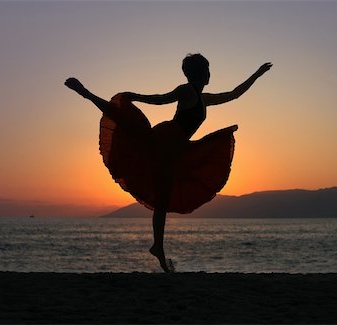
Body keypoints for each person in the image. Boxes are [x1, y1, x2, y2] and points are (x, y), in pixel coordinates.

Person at [65, 54, 272, 272]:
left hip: (177, 148)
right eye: (207, 70)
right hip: (165, 141)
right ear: (200, 73)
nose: (210, 74)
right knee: (128, 124)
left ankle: (158, 248)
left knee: (163, 199)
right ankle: (85, 92)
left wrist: (257, 74)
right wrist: (134, 96)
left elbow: (234, 94)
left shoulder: (204, 98)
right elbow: (161, 99)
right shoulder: (186, 90)